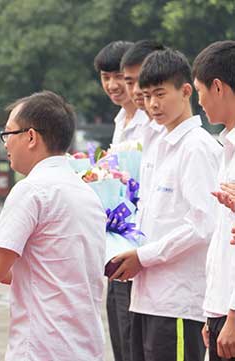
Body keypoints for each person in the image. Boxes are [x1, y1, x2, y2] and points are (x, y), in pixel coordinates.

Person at [0, 90, 106, 361]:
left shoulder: (31, 190)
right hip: (83, 347)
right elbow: (25, 270)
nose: (5, 144)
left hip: (42, 347)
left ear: (30, 137)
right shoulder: (85, 192)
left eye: (8, 134)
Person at [111, 48, 221, 361]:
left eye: (160, 94)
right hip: (146, 298)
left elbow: (204, 224)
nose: (153, 104)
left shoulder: (197, 148)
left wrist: (143, 257)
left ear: (186, 91)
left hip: (178, 302)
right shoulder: (158, 145)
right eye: (145, 96)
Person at [94, 40, 148, 361]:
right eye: (105, 77)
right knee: (120, 336)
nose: (113, 86)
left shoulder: (149, 122)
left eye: (120, 78)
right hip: (115, 241)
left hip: (141, 244)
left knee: (135, 340)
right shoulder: (119, 121)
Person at [193, 40, 235, 361]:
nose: (200, 102)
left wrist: (232, 314)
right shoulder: (226, 147)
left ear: (217, 86)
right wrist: (215, 308)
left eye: (199, 91)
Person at [120, 40, 166, 226]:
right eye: (130, 83)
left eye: (143, 81)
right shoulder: (146, 130)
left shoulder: (188, 142)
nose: (137, 90)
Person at [94, 40, 149, 146]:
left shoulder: (153, 119)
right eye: (106, 77)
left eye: (119, 76)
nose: (112, 86)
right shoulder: (120, 119)